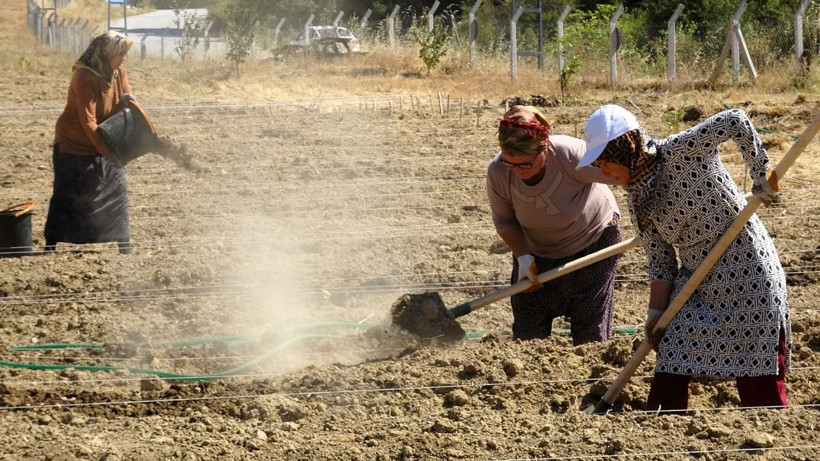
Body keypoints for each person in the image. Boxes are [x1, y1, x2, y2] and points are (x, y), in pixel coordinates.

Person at [578, 104, 790, 412]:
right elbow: (661, 261)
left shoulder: (681, 149)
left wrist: (761, 173)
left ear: (625, 150)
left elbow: (735, 120)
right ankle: (662, 419)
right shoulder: (638, 199)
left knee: (757, 361)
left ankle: (768, 427)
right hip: (698, 280)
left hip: (747, 268)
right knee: (671, 340)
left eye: (605, 160)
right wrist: (654, 315)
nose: (603, 171)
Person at [487, 105, 623, 345]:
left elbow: (621, 173)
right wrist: (524, 259)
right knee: (528, 323)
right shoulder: (498, 172)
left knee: (589, 325)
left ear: (545, 147)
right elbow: (505, 220)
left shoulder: (570, 155)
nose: (518, 171)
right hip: (537, 250)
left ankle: (593, 373)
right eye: (511, 164)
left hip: (593, 241)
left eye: (526, 164)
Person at [45, 31, 136, 255]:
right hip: (73, 146)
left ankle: (124, 244)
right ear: (105, 55)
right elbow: (89, 122)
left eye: (125, 53)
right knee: (67, 197)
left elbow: (127, 99)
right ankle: (51, 244)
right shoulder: (84, 77)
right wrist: (108, 153)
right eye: (120, 54)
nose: (124, 58)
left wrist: (132, 109)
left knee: (117, 191)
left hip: (103, 141)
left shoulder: (117, 71)